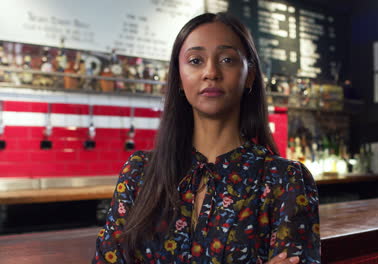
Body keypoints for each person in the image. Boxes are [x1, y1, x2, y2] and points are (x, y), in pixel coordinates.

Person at [93, 12, 320, 264]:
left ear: (250, 76)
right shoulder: (139, 173)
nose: (211, 72)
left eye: (227, 59)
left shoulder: (284, 180)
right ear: (178, 77)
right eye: (195, 60)